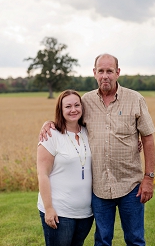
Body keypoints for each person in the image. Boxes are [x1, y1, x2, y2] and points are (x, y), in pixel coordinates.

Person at [41, 54, 155, 246]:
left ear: (117, 73)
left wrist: (149, 178)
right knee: (102, 241)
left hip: (131, 187)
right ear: (94, 73)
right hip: (99, 188)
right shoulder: (85, 102)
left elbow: (148, 138)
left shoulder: (135, 99)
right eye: (101, 71)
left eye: (109, 71)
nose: (105, 76)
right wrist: (49, 123)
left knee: (135, 240)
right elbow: (70, 118)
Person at [36, 89, 94, 246]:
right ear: (60, 110)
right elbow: (43, 174)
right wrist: (49, 209)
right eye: (68, 106)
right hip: (60, 212)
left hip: (86, 214)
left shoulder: (89, 132)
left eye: (77, 105)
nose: (73, 109)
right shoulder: (51, 135)